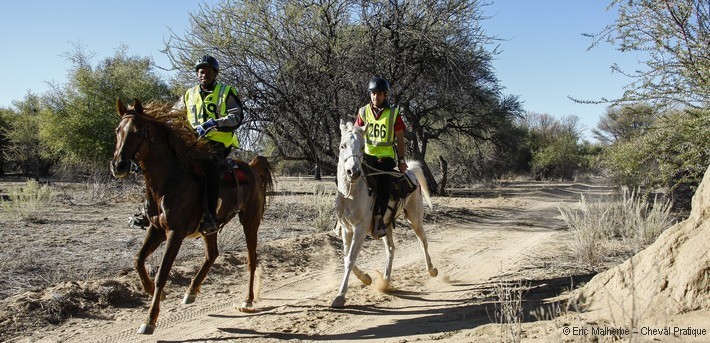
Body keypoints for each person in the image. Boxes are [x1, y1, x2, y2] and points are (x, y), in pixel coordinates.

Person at [128, 55, 244, 235]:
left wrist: (213, 123)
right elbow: (174, 115)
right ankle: (150, 211)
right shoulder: (189, 94)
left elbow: (236, 116)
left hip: (218, 142)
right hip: (193, 142)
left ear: (214, 73)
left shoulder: (226, 91)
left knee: (210, 168)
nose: (203, 74)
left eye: (207, 71)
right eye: (200, 71)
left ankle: (209, 217)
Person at [354, 76, 407, 239]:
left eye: (379, 94)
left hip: (385, 159)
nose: (375, 97)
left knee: (385, 186)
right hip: (367, 157)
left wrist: (402, 160)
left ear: (385, 95)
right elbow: (356, 133)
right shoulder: (363, 112)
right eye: (373, 93)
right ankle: (343, 216)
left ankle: (378, 220)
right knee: (350, 179)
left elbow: (399, 138)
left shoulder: (393, 113)